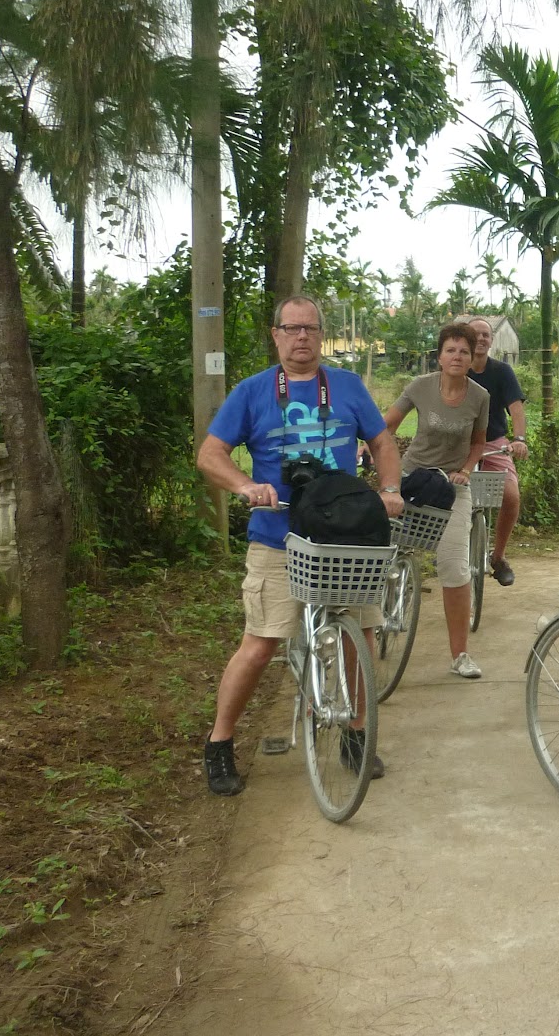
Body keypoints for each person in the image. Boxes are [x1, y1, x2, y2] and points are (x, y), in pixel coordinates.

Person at [196, 295, 406, 797]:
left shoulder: (349, 387)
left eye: (310, 328)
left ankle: (357, 735)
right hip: (278, 535)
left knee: (362, 634)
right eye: (292, 329)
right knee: (261, 640)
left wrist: (391, 489)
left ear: (321, 334)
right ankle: (219, 741)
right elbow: (209, 454)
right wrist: (245, 486)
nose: (302, 337)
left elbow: (381, 442)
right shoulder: (252, 392)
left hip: (347, 537)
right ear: (276, 335)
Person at [382, 322, 490, 678]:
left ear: (473, 357)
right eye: (450, 350)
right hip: (412, 479)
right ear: (439, 355)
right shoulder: (419, 387)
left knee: (454, 565)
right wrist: (379, 462)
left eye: (464, 351)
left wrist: (467, 469)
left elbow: (478, 442)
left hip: (453, 486)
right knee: (386, 548)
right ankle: (383, 609)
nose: (457, 357)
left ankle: (460, 655)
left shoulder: (479, 397)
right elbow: (387, 427)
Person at [465, 317, 527, 587]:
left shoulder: (502, 372)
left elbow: (515, 408)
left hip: (493, 444)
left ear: (492, 341)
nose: (481, 339)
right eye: (475, 334)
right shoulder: (455, 368)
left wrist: (519, 438)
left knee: (511, 495)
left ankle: (498, 557)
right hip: (457, 445)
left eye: (486, 335)